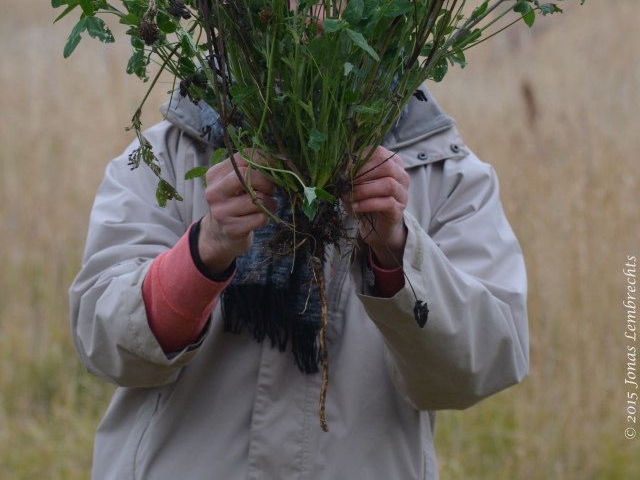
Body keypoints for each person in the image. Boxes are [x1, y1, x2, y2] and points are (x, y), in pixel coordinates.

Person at [70, 85, 528, 479]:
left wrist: (397, 248)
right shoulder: (170, 153)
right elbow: (102, 339)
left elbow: (481, 364)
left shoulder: (442, 172)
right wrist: (203, 252)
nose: (315, 3)